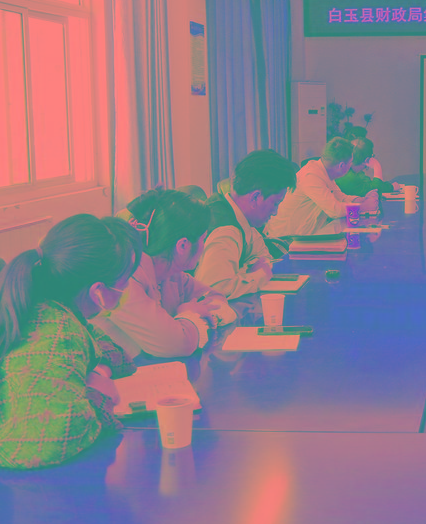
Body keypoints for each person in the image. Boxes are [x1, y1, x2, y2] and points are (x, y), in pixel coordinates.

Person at [0, 214, 143, 469]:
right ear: (98, 291)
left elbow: (120, 358)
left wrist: (97, 371)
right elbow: (45, 443)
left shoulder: (50, 304)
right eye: (125, 280)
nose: (128, 285)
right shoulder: (58, 331)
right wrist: (96, 396)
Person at [91, 190, 237, 359]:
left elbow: (216, 298)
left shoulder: (171, 272)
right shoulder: (126, 278)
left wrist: (195, 318)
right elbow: (177, 345)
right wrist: (189, 313)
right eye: (203, 239)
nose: (204, 246)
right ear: (183, 246)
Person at [196, 149, 298, 299]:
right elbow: (214, 289)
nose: (275, 212)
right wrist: (259, 275)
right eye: (275, 203)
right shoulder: (225, 231)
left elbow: (264, 257)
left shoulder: (241, 218)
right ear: (255, 197)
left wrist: (244, 273)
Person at [265, 138, 378, 238]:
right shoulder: (311, 175)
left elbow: (340, 197)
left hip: (304, 237)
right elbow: (335, 210)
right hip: (285, 240)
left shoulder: (324, 172)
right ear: (342, 166)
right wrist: (363, 206)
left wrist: (360, 200)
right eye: (351, 162)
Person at [335, 138, 401, 197]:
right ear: (367, 160)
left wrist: (391, 186)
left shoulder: (353, 173)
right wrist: (377, 166)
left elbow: (371, 185)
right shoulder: (347, 177)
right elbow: (376, 190)